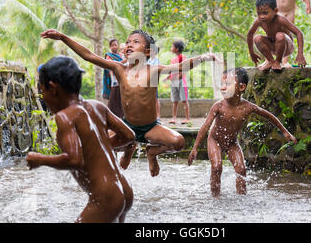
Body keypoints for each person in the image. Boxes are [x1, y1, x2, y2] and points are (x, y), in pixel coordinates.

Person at [40, 28, 219, 177]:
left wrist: (204, 57)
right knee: (98, 146)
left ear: (147, 52)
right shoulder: (119, 68)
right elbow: (89, 56)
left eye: (135, 42)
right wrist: (63, 37)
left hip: (150, 128)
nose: (129, 45)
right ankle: (129, 147)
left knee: (179, 142)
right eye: (128, 42)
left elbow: (181, 67)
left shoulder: (154, 70)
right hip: (126, 127)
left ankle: (152, 153)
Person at [26, 56, 135, 223]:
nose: (43, 97)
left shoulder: (65, 117)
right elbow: (129, 136)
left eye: (42, 90)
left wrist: (40, 159)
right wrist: (99, 148)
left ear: (53, 88)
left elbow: (74, 160)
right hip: (124, 189)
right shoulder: (97, 106)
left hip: (106, 197)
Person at [188, 67, 297, 197]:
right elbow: (205, 127)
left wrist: (285, 132)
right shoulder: (219, 106)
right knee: (217, 167)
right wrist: (195, 148)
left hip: (232, 143)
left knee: (241, 170)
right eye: (222, 84)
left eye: (227, 84)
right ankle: (215, 198)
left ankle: (242, 197)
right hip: (214, 140)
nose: (223, 87)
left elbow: (269, 116)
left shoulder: (248, 107)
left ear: (241, 87)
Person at [246, 0, 307, 71]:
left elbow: (298, 33)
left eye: (265, 13)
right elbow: (250, 34)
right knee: (257, 38)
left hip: (286, 47)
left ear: (275, 11)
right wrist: (251, 53)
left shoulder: (280, 20)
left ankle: (278, 61)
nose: (262, 16)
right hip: (273, 46)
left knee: (279, 35)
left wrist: (300, 54)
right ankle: (271, 61)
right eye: (259, 13)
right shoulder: (259, 21)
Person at [165, 40, 190, 125]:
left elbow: (184, 71)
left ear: (177, 49)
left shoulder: (183, 58)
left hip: (181, 81)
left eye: (172, 47)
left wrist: (177, 76)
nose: (171, 48)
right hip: (173, 82)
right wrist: (168, 77)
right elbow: (171, 71)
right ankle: (174, 117)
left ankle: (187, 118)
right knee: (174, 101)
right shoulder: (172, 60)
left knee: (184, 100)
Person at [103, 38, 124, 118]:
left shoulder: (121, 55)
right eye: (112, 45)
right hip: (114, 80)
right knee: (113, 99)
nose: (114, 47)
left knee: (122, 99)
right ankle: (110, 117)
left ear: (118, 46)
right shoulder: (108, 56)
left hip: (122, 79)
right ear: (110, 47)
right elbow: (111, 65)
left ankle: (121, 117)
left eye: (115, 45)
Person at [147, 43, 161, 119]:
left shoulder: (156, 60)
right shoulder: (148, 60)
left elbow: (157, 71)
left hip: (154, 81)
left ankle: (158, 116)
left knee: (155, 99)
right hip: (147, 82)